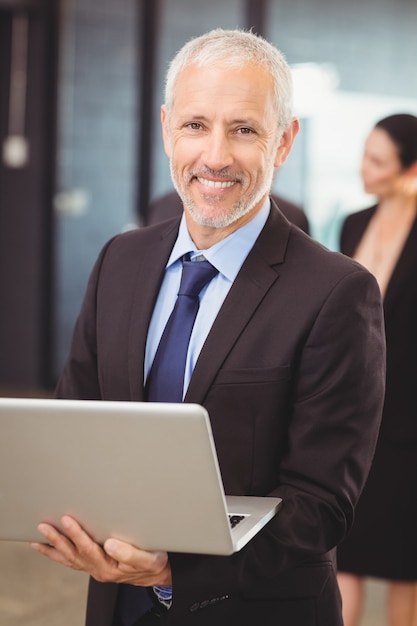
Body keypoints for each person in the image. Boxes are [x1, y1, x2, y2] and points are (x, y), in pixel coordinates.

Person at [31, 28, 385, 626]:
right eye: (196, 125)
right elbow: (76, 427)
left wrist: (175, 572)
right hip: (117, 607)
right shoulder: (120, 260)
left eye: (243, 129)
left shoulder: (336, 292)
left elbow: (322, 505)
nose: (215, 155)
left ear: (284, 141)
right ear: (168, 127)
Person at [337, 113, 417, 626]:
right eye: (365, 155)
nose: (364, 169)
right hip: (353, 417)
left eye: (378, 161)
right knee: (343, 555)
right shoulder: (354, 223)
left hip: (408, 425)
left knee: (403, 567)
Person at [146, 188, 310, 234]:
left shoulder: (293, 215)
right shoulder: (164, 205)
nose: (215, 160)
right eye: (195, 126)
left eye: (244, 131)